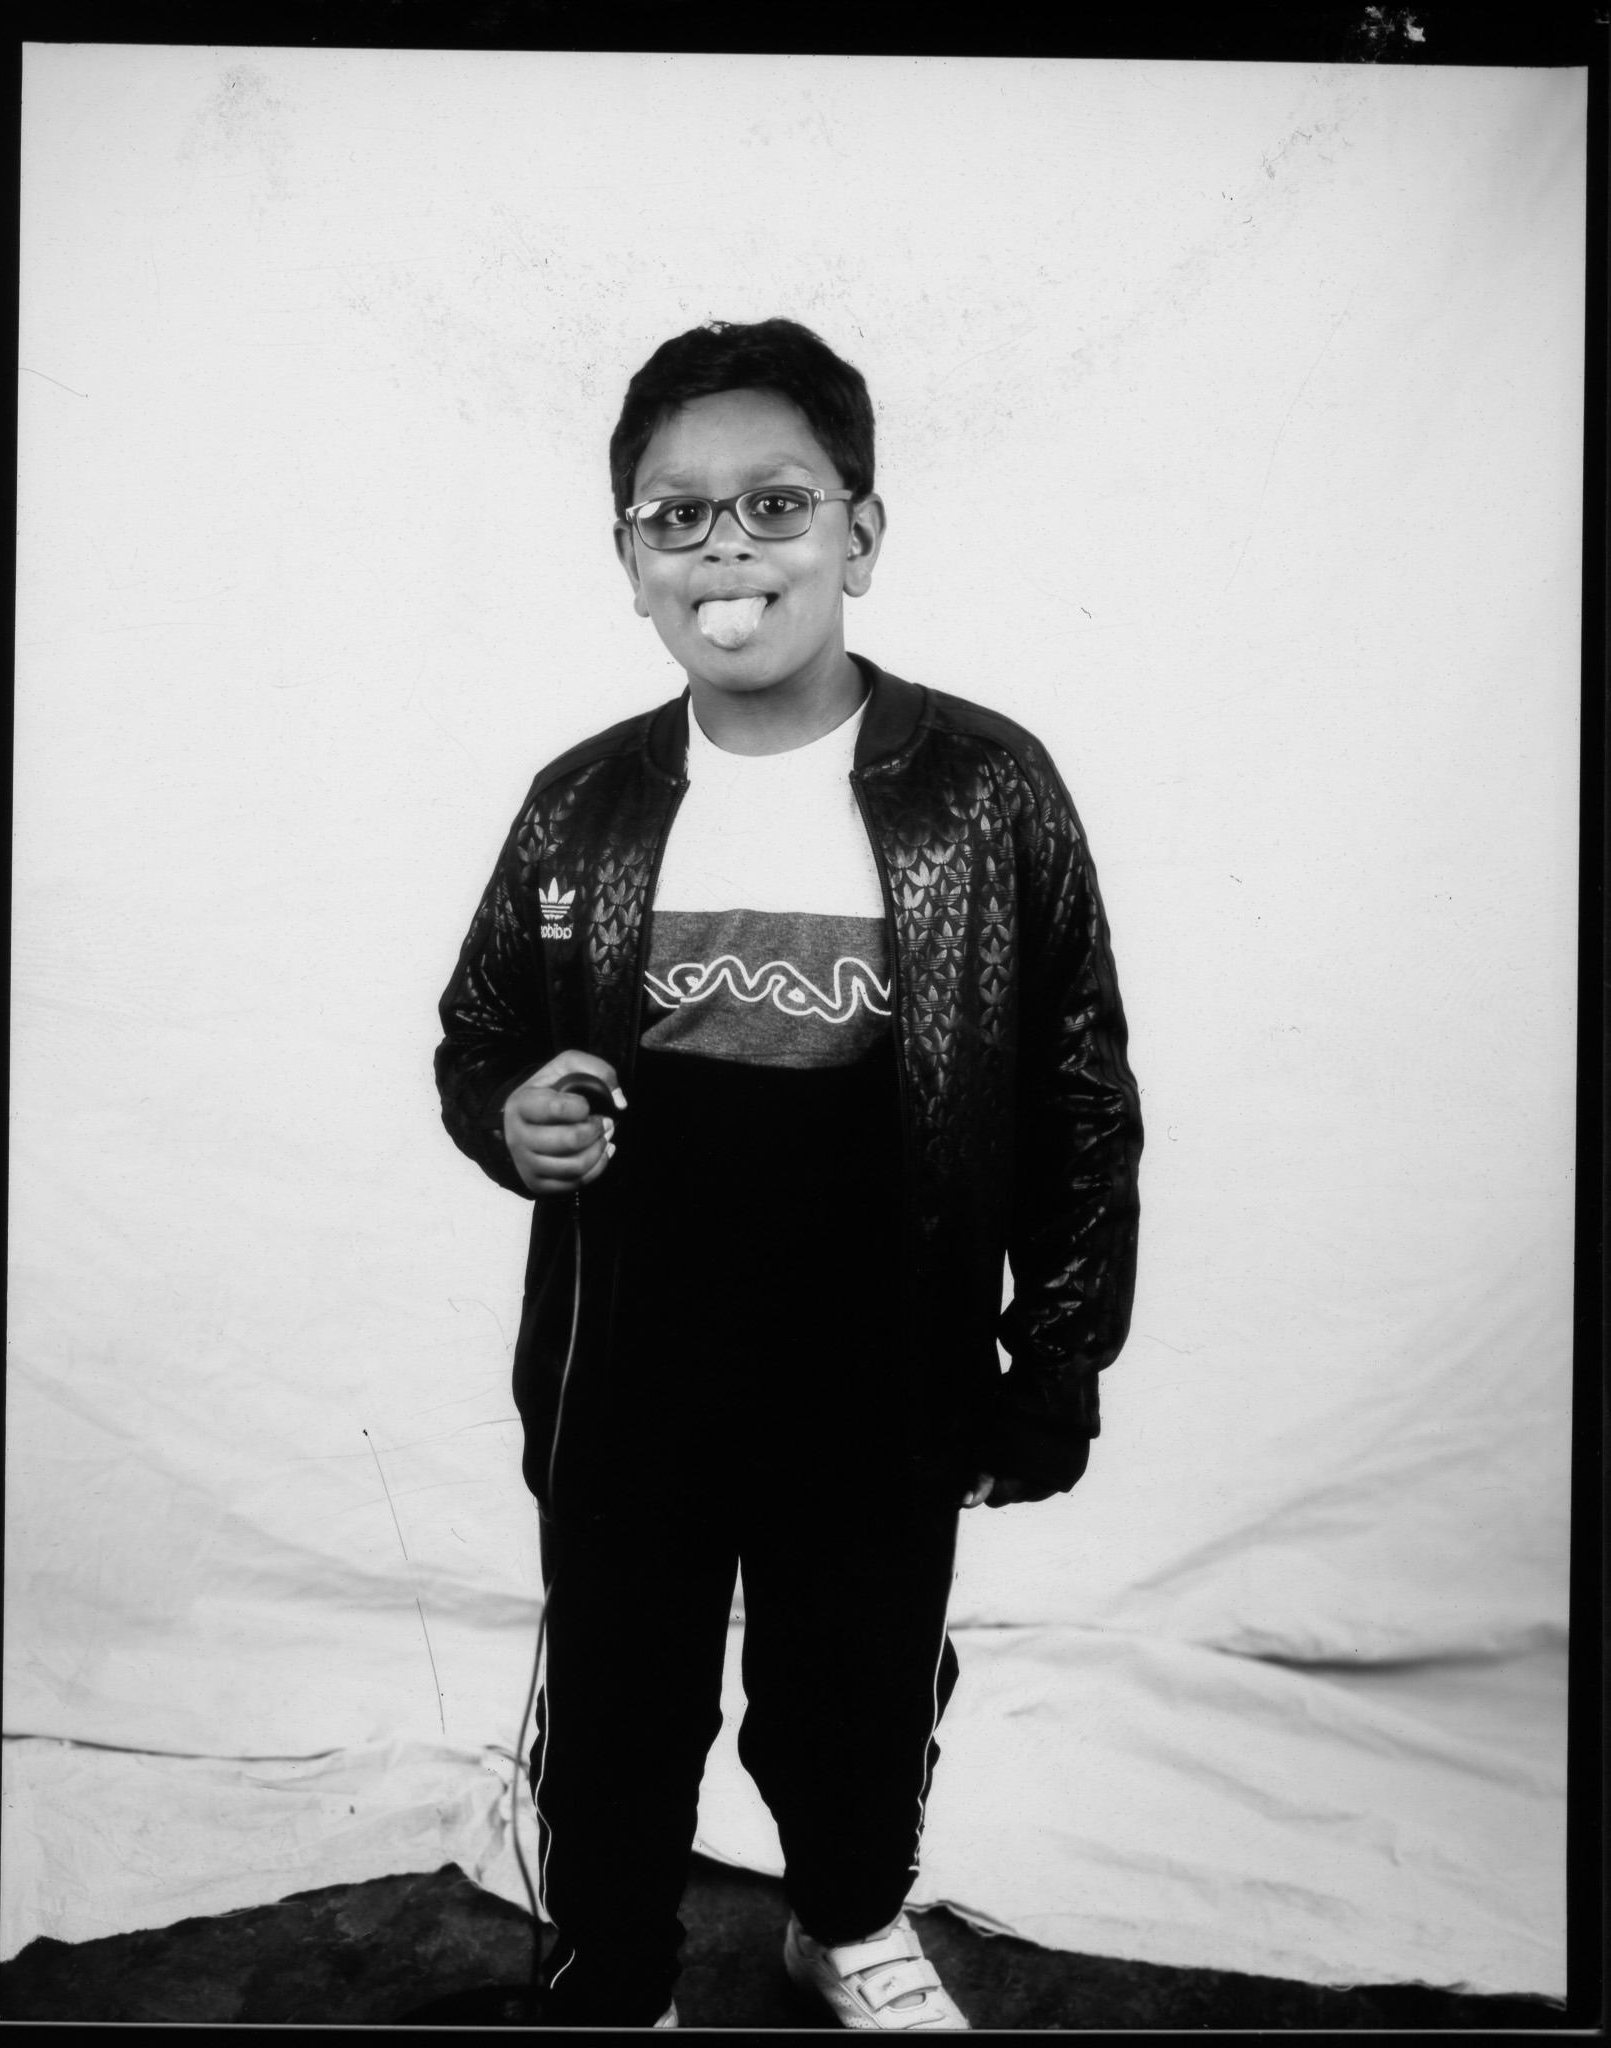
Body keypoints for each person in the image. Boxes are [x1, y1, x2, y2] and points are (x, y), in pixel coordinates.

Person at [434, 317, 1142, 2029]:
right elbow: (479, 1034)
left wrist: (1051, 1363)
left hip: (879, 1364)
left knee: (854, 1684)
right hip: (633, 1367)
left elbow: (1074, 1093)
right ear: (627, 560)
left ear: (860, 535)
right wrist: (505, 1113)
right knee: (620, 1698)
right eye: (676, 517)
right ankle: (611, 1970)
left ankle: (842, 1915)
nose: (727, 549)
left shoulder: (983, 790)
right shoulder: (583, 803)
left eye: (774, 505)